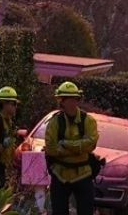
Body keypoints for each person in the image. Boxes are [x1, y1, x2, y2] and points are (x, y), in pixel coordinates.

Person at [44, 81, 99, 215]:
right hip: (60, 174)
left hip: (83, 173)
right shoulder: (55, 122)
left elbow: (91, 144)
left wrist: (66, 145)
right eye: (68, 100)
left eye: (74, 99)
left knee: (86, 211)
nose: (71, 103)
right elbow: (50, 148)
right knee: (58, 211)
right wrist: (78, 148)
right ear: (61, 102)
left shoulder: (88, 121)